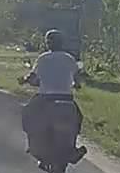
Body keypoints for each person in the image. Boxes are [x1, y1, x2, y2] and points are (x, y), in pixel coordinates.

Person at [20, 29, 88, 162]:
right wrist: (77, 84)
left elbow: (33, 77)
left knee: (27, 113)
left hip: (45, 98)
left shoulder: (43, 58)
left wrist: (25, 80)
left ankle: (33, 143)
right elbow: (77, 78)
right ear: (62, 43)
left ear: (47, 43)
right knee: (77, 119)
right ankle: (73, 148)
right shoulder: (69, 58)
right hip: (66, 99)